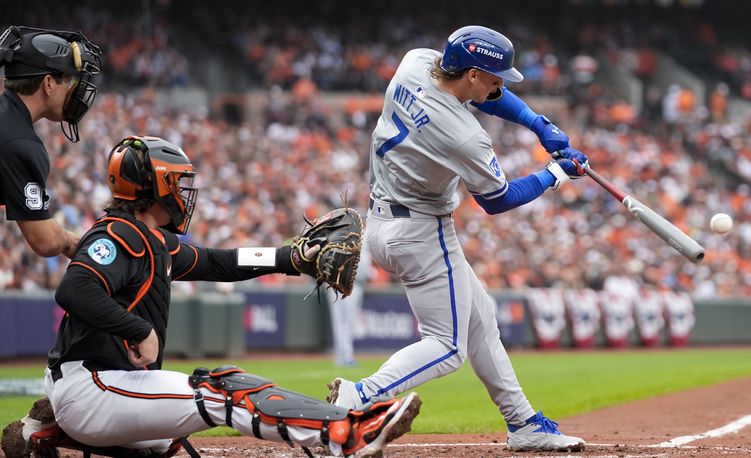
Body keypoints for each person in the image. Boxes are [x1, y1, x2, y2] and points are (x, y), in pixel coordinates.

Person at [0, 136, 420, 458]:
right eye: (178, 182)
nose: (184, 193)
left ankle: (45, 430)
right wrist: (138, 329)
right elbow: (73, 288)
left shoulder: (152, 240)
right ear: (156, 185)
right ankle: (346, 432)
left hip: (102, 388)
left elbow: (219, 262)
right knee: (221, 390)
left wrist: (289, 257)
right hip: (94, 385)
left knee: (163, 440)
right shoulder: (118, 232)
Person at [326, 25, 588, 452]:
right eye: (493, 77)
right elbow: (498, 199)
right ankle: (360, 397)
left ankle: (523, 424)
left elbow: (489, 94)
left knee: (481, 321)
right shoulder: (465, 135)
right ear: (470, 75)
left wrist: (537, 124)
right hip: (421, 232)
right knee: (447, 348)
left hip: (383, 220)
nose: (500, 85)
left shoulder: (414, 62)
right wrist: (555, 173)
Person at [0, 26, 102, 259]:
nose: (73, 89)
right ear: (48, 83)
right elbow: (45, 241)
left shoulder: (8, 120)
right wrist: (72, 241)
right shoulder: (18, 141)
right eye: (68, 81)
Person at [329, 245, 371, 367]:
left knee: (350, 322)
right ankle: (343, 355)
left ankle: (345, 354)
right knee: (341, 322)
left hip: (357, 285)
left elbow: (365, 271)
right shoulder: (342, 243)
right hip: (341, 284)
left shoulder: (363, 244)